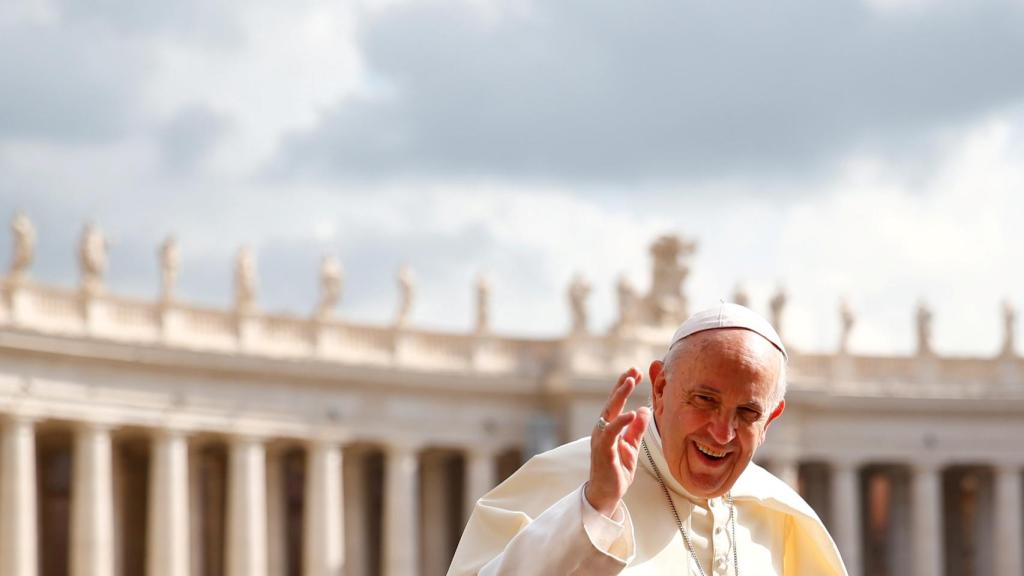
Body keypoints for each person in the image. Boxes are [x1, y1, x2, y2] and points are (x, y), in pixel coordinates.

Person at [448, 303, 847, 575]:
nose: (722, 432)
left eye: (747, 413)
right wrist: (593, 510)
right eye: (704, 400)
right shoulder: (566, 481)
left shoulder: (786, 516)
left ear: (771, 420)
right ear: (659, 388)